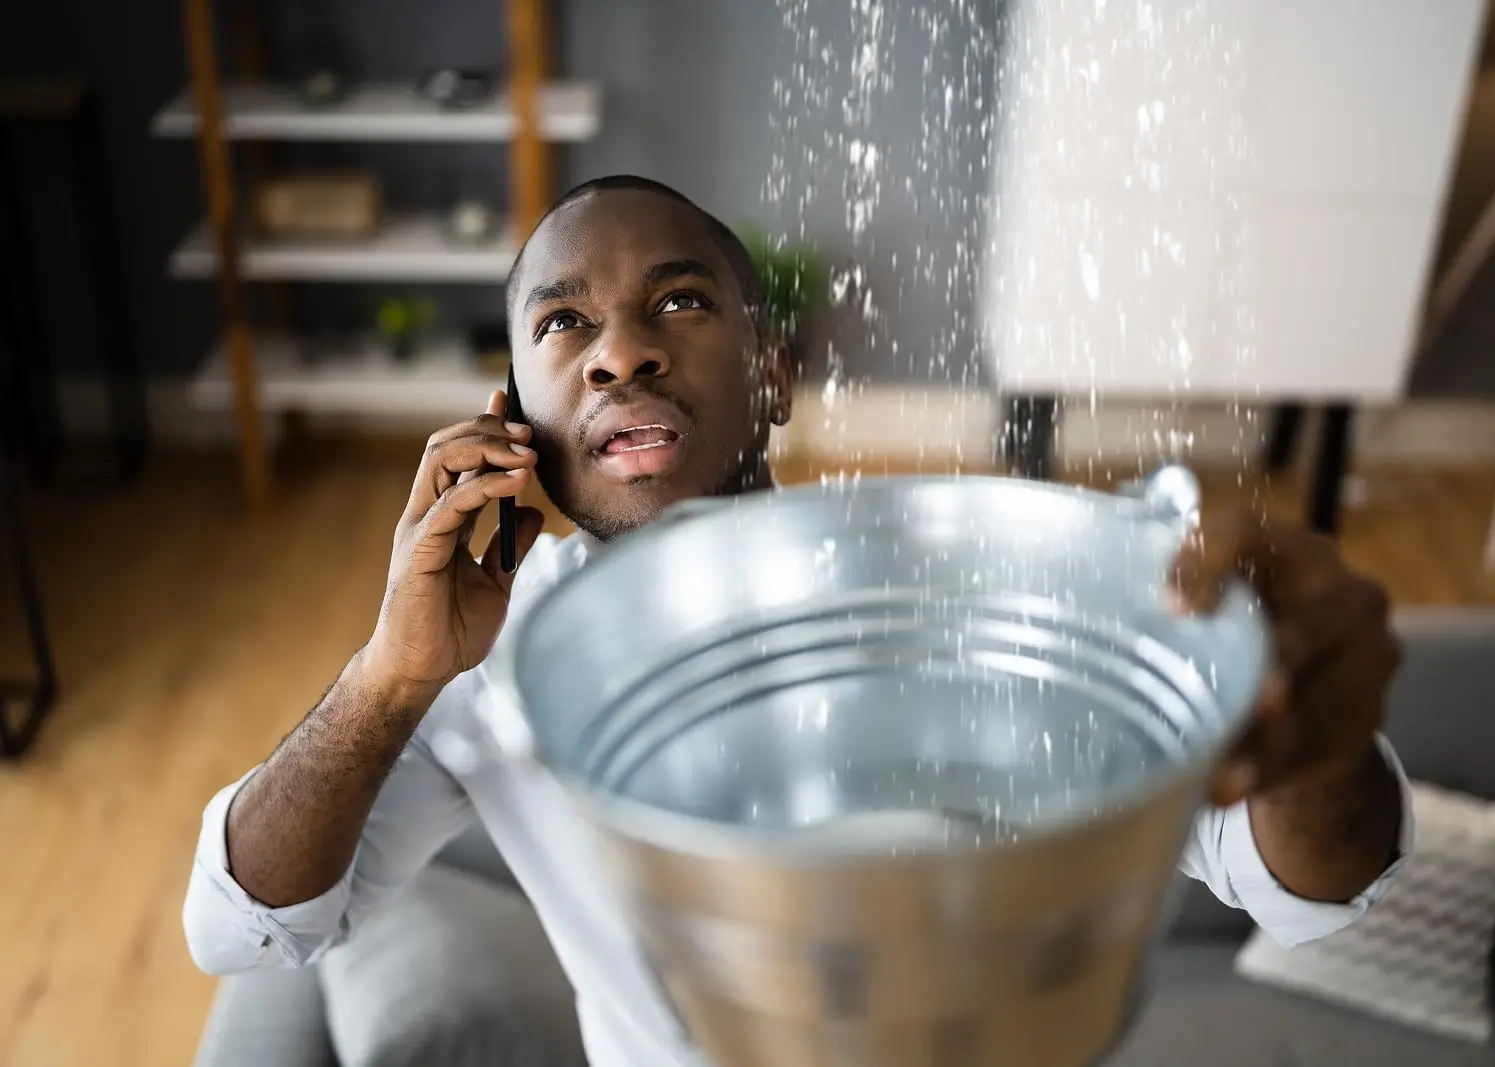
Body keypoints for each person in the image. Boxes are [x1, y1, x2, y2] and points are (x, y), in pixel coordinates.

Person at [183, 175, 1413, 1066]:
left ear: (772, 377)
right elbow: (236, 928)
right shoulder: (491, 664)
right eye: (565, 324)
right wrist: (391, 675)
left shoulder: (953, 587)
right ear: (517, 419)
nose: (621, 353)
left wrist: (1316, 741)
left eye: (679, 303)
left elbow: (1305, 888)